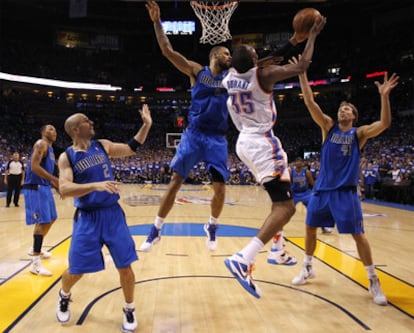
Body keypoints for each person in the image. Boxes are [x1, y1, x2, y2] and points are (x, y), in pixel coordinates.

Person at [221, 16, 326, 297]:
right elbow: (301, 66)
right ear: (254, 63)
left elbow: (268, 58)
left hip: (243, 142)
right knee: (287, 208)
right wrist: (312, 36)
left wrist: (293, 40)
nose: (261, 56)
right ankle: (243, 259)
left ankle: (277, 250)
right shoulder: (263, 75)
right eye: (257, 55)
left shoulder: (229, 76)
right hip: (263, 143)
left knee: (279, 201)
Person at [290, 61, 399, 306]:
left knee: (358, 235)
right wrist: (303, 74)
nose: (343, 111)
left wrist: (384, 97)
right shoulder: (328, 128)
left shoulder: (358, 134)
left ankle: (373, 278)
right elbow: (310, 102)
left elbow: (384, 124)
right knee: (309, 228)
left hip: (345, 193)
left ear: (354, 116)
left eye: (348, 109)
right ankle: (307, 267)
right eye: (341, 108)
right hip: (322, 190)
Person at [140, 1, 232, 252]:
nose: (229, 57)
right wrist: (157, 22)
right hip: (194, 135)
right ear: (214, 55)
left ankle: (212, 225)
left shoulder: (231, 76)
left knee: (221, 189)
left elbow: (261, 65)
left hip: (217, 138)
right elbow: (168, 50)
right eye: (226, 54)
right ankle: (155, 230)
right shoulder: (196, 71)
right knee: (176, 181)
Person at [56, 104, 152, 332]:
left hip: (112, 215)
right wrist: (95, 185)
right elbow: (65, 189)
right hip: (88, 218)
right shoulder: (66, 157)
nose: (92, 123)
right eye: (86, 121)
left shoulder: (103, 145)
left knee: (125, 266)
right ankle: (64, 294)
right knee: (76, 270)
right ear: (76, 129)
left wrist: (146, 125)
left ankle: (129, 308)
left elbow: (131, 148)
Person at [24, 124, 59, 276]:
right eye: (51, 129)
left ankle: (35, 248)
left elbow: (46, 171)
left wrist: (55, 185)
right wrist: (54, 179)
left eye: (55, 130)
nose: (54, 132)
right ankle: (35, 265)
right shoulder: (41, 144)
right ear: (43, 132)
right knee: (42, 222)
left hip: (44, 186)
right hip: (35, 187)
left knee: (52, 218)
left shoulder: (51, 150)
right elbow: (34, 167)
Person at [290, 156, 332, 234]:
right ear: (295, 163)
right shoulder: (291, 172)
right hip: (295, 194)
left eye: (300, 161)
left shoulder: (307, 172)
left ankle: (324, 227)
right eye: (297, 161)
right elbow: (288, 183)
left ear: (303, 163)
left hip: (305, 193)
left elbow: (312, 184)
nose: (299, 162)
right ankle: (279, 228)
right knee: (287, 210)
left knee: (315, 209)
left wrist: (315, 193)